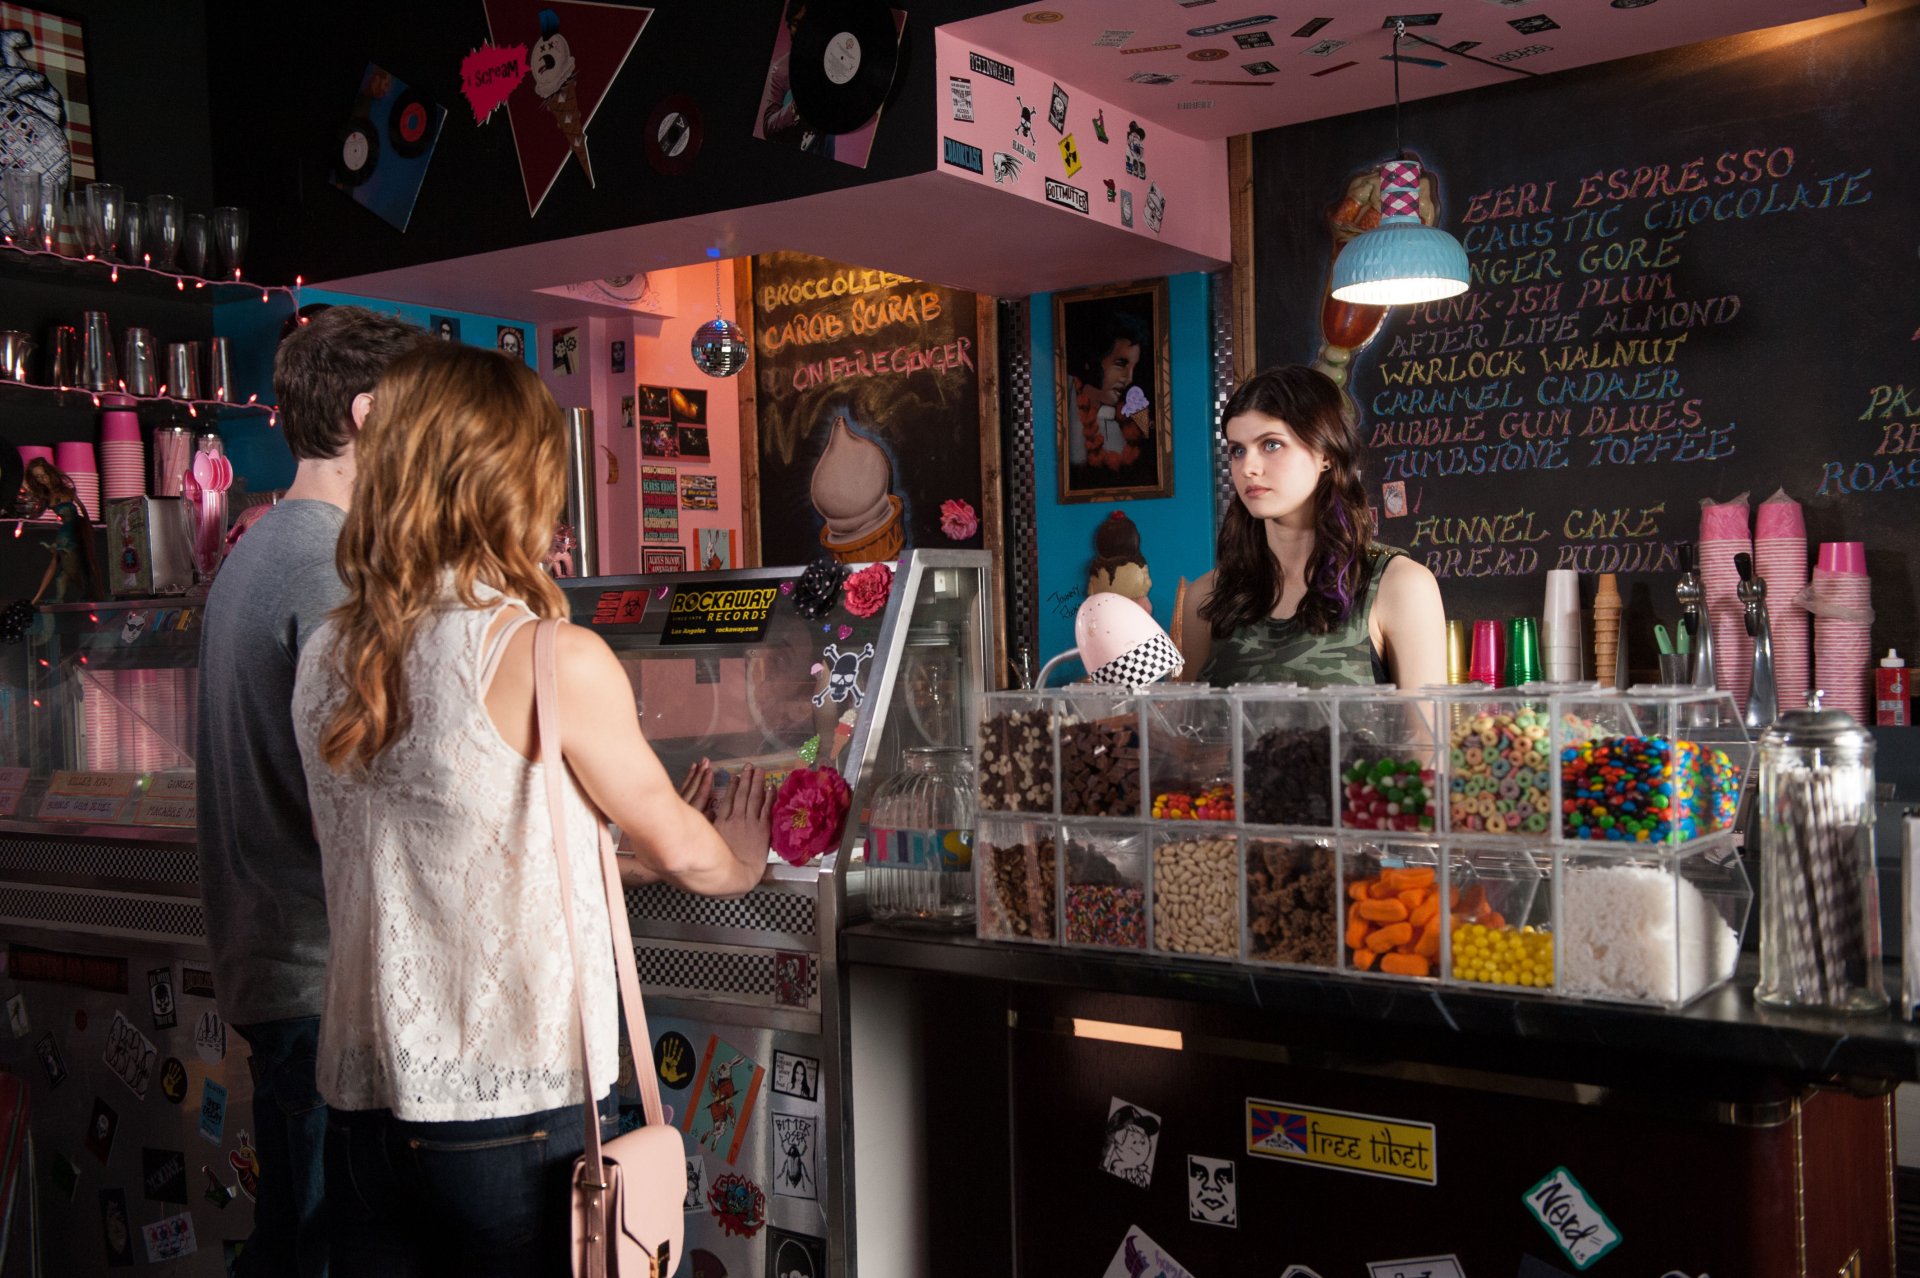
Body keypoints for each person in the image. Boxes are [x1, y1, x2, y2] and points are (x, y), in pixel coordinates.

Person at [291, 343, 772, 1275]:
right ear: (511, 479)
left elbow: (437, 843)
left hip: (361, 1107)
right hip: (515, 1118)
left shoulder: (325, 655)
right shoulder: (550, 654)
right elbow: (690, 853)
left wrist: (601, 856)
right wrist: (744, 856)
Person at [195, 305, 431, 1278]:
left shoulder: (254, 552)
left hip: (271, 962)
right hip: (325, 978)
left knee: (300, 1242)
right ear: (374, 416)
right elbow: (373, 786)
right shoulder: (336, 569)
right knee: (333, 1254)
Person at [1178, 365, 1446, 688]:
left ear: (1326, 454)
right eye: (1237, 450)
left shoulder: (1401, 585)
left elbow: (1424, 736)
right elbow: (1189, 733)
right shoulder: (1206, 596)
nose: (1248, 468)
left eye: (1271, 444)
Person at [22, 458, 99, 604]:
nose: (42, 479)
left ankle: (90, 593)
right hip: (66, 531)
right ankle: (38, 598)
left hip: (77, 528)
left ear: (49, 473)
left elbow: (82, 508)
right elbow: (27, 488)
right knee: (58, 562)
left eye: (43, 475)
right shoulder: (46, 495)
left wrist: (88, 526)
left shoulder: (64, 490)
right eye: (38, 477)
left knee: (83, 561)